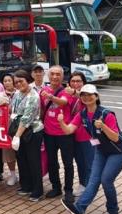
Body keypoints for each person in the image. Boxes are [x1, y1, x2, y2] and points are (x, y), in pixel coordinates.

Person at [61, 84, 122, 214]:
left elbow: (115, 138)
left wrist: (103, 126)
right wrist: (61, 121)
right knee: (93, 180)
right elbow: (68, 130)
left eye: (90, 95)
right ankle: (79, 209)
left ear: (96, 96)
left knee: (106, 180)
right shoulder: (82, 114)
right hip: (101, 150)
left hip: (118, 152)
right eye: (83, 95)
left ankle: (113, 211)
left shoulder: (106, 114)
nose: (86, 97)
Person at [41, 65, 74, 201]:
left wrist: (50, 97)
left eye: (58, 74)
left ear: (62, 76)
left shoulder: (66, 91)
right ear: (48, 76)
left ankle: (69, 191)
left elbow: (63, 102)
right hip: (49, 133)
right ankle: (56, 187)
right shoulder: (44, 90)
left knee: (68, 163)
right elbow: (42, 109)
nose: (55, 77)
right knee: (52, 162)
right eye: (52, 74)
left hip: (64, 133)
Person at [10, 69, 44, 202]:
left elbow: (26, 118)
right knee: (22, 159)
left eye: (21, 81)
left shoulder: (33, 96)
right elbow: (13, 110)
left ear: (27, 80)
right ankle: (26, 185)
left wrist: (17, 136)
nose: (18, 84)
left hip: (32, 132)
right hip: (19, 131)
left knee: (33, 161)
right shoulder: (17, 94)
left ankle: (37, 190)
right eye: (16, 82)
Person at [63, 71, 91, 195]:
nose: (75, 83)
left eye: (78, 81)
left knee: (87, 161)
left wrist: (75, 93)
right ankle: (82, 184)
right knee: (78, 160)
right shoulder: (66, 94)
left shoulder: (87, 94)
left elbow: (88, 100)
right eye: (73, 81)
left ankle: (87, 185)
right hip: (70, 133)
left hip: (86, 134)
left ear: (83, 83)